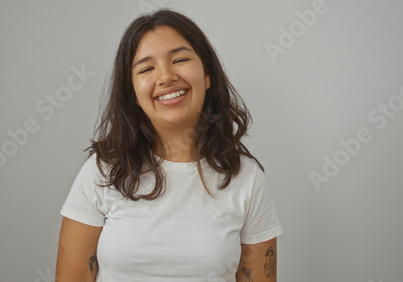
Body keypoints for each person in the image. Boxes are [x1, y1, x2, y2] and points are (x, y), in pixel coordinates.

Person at [56, 9, 284, 282]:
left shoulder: (247, 180)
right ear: (133, 95)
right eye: (147, 68)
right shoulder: (102, 172)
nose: (165, 77)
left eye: (180, 59)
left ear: (207, 74)